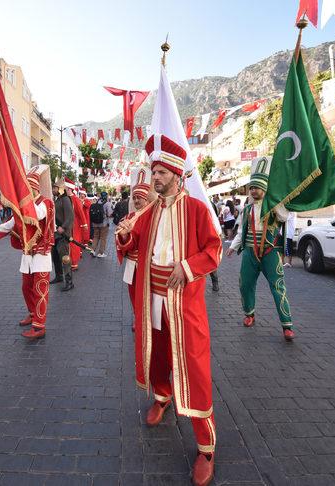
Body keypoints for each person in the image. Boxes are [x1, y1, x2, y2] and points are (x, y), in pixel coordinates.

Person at [116, 135, 221, 486]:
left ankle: (206, 448)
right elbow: (135, 244)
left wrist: (188, 267)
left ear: (177, 174)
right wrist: (125, 235)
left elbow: (213, 249)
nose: (155, 177)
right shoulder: (148, 211)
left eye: (161, 172)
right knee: (158, 354)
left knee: (194, 369)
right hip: (153, 298)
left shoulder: (196, 210)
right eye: (153, 171)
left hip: (184, 305)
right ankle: (162, 397)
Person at [226, 157, 295, 341]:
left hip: (270, 253)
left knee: (278, 287)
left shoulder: (275, 207)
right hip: (249, 251)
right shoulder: (247, 209)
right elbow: (241, 231)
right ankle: (249, 314)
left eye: (256, 187)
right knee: (245, 284)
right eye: (252, 188)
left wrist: (277, 199)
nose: (253, 190)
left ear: (265, 188)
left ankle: (287, 325)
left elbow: (285, 216)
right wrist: (233, 247)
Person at [0, 165, 55, 340]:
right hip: (27, 254)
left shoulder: (45, 203)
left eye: (27, 189)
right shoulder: (25, 205)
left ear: (34, 188)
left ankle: (39, 326)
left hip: (41, 254)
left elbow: (38, 215)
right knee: (26, 287)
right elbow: (11, 222)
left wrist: (25, 201)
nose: (24, 193)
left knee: (40, 290)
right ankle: (32, 314)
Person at [117, 171, 152, 331]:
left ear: (147, 198)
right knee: (133, 293)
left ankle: (147, 319)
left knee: (148, 294)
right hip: (132, 262)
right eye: (135, 197)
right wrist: (123, 236)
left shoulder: (154, 215)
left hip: (149, 263)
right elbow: (121, 240)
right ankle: (138, 317)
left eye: (140, 197)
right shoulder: (129, 216)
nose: (137, 200)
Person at [51, 178, 74, 291]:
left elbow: (70, 216)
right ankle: (59, 276)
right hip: (55, 234)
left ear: (60, 189)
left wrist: (63, 227)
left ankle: (69, 282)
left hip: (63, 234)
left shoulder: (65, 199)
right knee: (55, 257)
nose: (53, 189)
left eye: (55, 188)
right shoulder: (57, 200)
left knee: (65, 258)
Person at [65, 179, 88, 272]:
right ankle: (68, 260)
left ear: (69, 189)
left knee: (74, 244)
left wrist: (84, 224)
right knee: (68, 244)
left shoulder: (75, 199)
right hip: (67, 225)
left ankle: (74, 263)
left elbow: (80, 212)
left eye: (65, 188)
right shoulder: (65, 198)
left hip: (75, 226)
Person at [91, 191, 113, 258]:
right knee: (103, 238)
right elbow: (109, 214)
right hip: (103, 224)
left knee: (96, 237)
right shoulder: (107, 203)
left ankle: (93, 250)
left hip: (95, 223)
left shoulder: (96, 202)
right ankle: (101, 253)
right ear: (106, 196)